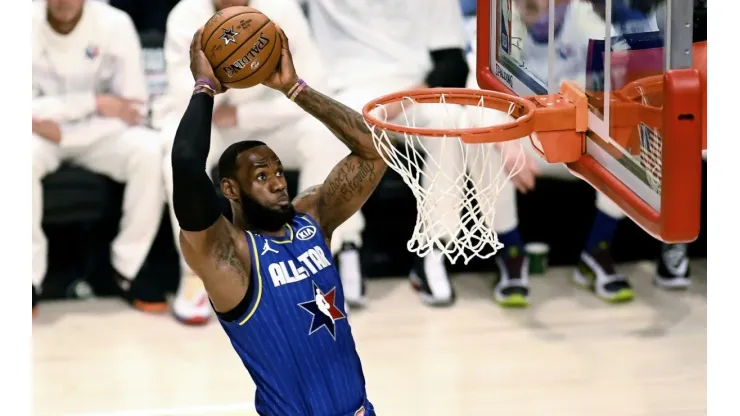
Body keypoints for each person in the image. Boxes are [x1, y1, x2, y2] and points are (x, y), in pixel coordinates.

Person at [171, 24, 388, 414]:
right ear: (231, 190)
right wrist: (204, 85)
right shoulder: (229, 255)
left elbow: (373, 151)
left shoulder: (312, 219)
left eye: (277, 171)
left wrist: (295, 89)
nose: (277, 183)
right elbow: (187, 165)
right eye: (260, 176)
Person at [154, 0, 356, 325]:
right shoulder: (185, 14)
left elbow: (313, 84)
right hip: (214, 122)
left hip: (265, 121)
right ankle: (195, 274)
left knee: (323, 137)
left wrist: (243, 110)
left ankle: (317, 261)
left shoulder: (282, 9)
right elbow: (185, 97)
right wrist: (236, 69)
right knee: (176, 155)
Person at [304, 0, 470, 307]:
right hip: (348, 92)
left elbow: (454, 64)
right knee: (323, 129)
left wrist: (402, 100)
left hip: (415, 92)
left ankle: (434, 249)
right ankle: (345, 250)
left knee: (449, 122)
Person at [32, 0, 165, 316]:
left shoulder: (115, 23)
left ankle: (127, 268)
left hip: (97, 134)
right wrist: (93, 102)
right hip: (37, 135)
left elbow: (133, 107)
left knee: (148, 151)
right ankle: (26, 278)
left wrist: (65, 127)